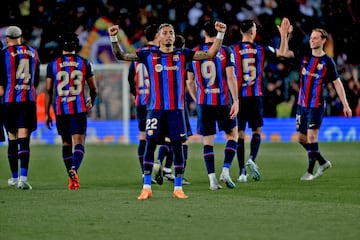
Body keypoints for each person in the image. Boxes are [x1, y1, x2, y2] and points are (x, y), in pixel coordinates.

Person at [108, 20, 227, 200]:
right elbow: (120, 55)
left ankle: (178, 188)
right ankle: (146, 186)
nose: (168, 35)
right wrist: (113, 37)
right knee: (150, 145)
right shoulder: (148, 54)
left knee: (178, 147)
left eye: (171, 32)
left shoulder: (184, 54)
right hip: (155, 109)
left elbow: (211, 53)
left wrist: (220, 34)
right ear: (158, 37)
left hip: (176, 110)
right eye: (164, 32)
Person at [281, 25, 352, 180]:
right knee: (301, 139)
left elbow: (337, 83)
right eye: (311, 38)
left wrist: (345, 104)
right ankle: (322, 162)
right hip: (302, 105)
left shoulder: (328, 62)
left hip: (316, 105)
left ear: (323, 40)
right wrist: (285, 36)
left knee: (312, 137)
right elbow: (285, 53)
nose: (311, 41)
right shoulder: (304, 55)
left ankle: (310, 172)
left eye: (315, 38)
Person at [231, 18, 291, 182]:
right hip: (255, 95)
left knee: (240, 134)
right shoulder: (261, 49)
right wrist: (284, 35)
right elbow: (283, 53)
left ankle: (242, 171)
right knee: (256, 131)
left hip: (238, 97)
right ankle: (252, 159)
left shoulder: (232, 49)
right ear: (252, 32)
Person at [187, 20, 239, 190]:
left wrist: (197, 98)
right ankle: (225, 170)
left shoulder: (194, 52)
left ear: (204, 34)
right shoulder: (225, 50)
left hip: (204, 103)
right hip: (223, 101)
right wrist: (236, 100)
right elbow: (231, 77)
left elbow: (190, 82)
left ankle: (212, 180)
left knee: (207, 142)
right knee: (232, 136)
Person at [44, 32, 98, 189]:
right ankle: (74, 170)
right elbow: (94, 88)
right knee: (79, 143)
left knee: (66, 143)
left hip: (61, 109)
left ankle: (71, 176)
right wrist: (92, 100)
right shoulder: (84, 63)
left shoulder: (52, 64)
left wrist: (47, 112)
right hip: (78, 108)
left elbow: (48, 90)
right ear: (76, 46)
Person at [0, 26, 40, 190]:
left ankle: (14, 177)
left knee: (12, 138)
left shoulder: (3, 54)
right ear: (21, 38)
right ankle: (23, 178)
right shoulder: (34, 53)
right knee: (24, 139)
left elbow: (1, 87)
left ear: (7, 39)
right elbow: (36, 81)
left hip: (9, 101)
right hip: (27, 100)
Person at [154, 34, 192, 185]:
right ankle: (171, 172)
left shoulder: (159, 58)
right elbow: (189, 81)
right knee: (182, 141)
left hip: (160, 104)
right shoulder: (182, 59)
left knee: (168, 139)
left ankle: (158, 162)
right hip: (178, 104)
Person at [127, 24, 159, 182]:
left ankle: (144, 171)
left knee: (143, 137)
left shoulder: (138, 54)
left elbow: (130, 78)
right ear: (158, 35)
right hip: (157, 102)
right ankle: (161, 166)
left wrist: (135, 94)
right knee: (168, 137)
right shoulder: (160, 53)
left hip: (141, 100)